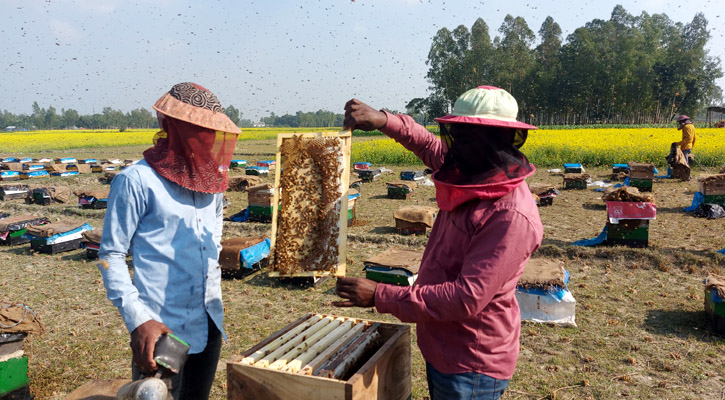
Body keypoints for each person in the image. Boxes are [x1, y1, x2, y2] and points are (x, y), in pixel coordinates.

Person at [334, 86, 544, 400]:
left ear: (495, 141)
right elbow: (426, 143)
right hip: (441, 346)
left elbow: (465, 298)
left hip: (471, 364)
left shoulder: (510, 215)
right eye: (455, 134)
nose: (455, 144)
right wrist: (383, 120)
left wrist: (380, 294)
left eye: (465, 136)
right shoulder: (469, 167)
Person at [98, 82, 240, 399]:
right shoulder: (136, 181)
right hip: (164, 329)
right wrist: (139, 321)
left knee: (195, 396)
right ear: (167, 124)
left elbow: (214, 237)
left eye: (209, 131)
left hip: (209, 320)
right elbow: (111, 256)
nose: (204, 139)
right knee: (159, 394)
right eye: (195, 129)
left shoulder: (213, 183)